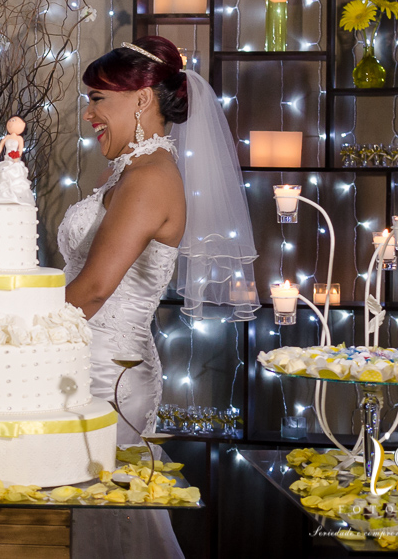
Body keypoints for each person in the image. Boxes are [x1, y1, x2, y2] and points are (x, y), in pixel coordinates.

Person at [59, 36, 257, 558]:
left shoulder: (148, 178)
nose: (88, 114)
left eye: (99, 99)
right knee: (88, 514)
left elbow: (95, 289)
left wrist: (7, 332)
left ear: (143, 100)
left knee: (107, 520)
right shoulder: (128, 171)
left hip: (110, 372)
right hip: (88, 360)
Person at [0, 115, 35, 206]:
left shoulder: (19, 138)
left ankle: (17, 196)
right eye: (11, 120)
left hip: (15, 159)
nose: (12, 122)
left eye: (15, 121)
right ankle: (2, 196)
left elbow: (20, 149)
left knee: (15, 173)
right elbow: (0, 147)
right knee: (3, 174)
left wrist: (17, 156)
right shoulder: (6, 138)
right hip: (6, 159)